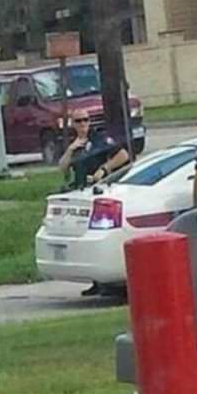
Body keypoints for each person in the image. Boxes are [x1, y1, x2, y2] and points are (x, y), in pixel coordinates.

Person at [59, 110, 130, 297]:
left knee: (97, 232)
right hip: (79, 190)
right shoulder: (73, 143)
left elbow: (123, 155)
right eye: (78, 121)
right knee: (83, 234)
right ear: (72, 124)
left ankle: (104, 282)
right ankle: (95, 281)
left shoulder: (99, 139)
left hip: (98, 189)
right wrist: (71, 149)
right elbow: (62, 167)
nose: (83, 124)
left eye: (85, 120)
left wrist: (104, 169)